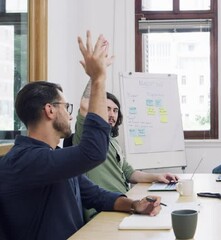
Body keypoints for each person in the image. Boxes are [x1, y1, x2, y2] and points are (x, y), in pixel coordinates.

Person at [0, 31, 163, 240]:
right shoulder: (25, 160)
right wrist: (98, 79)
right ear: (50, 110)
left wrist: (134, 205)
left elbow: (95, 195)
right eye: (66, 106)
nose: (69, 114)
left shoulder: (52, 157)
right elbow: (94, 153)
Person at [72, 87, 179, 221]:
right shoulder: (86, 139)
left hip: (122, 202)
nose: (112, 115)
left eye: (115, 110)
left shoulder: (112, 140)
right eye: (107, 109)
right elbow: (85, 103)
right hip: (103, 209)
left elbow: (128, 172)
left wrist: (158, 177)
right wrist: (98, 72)